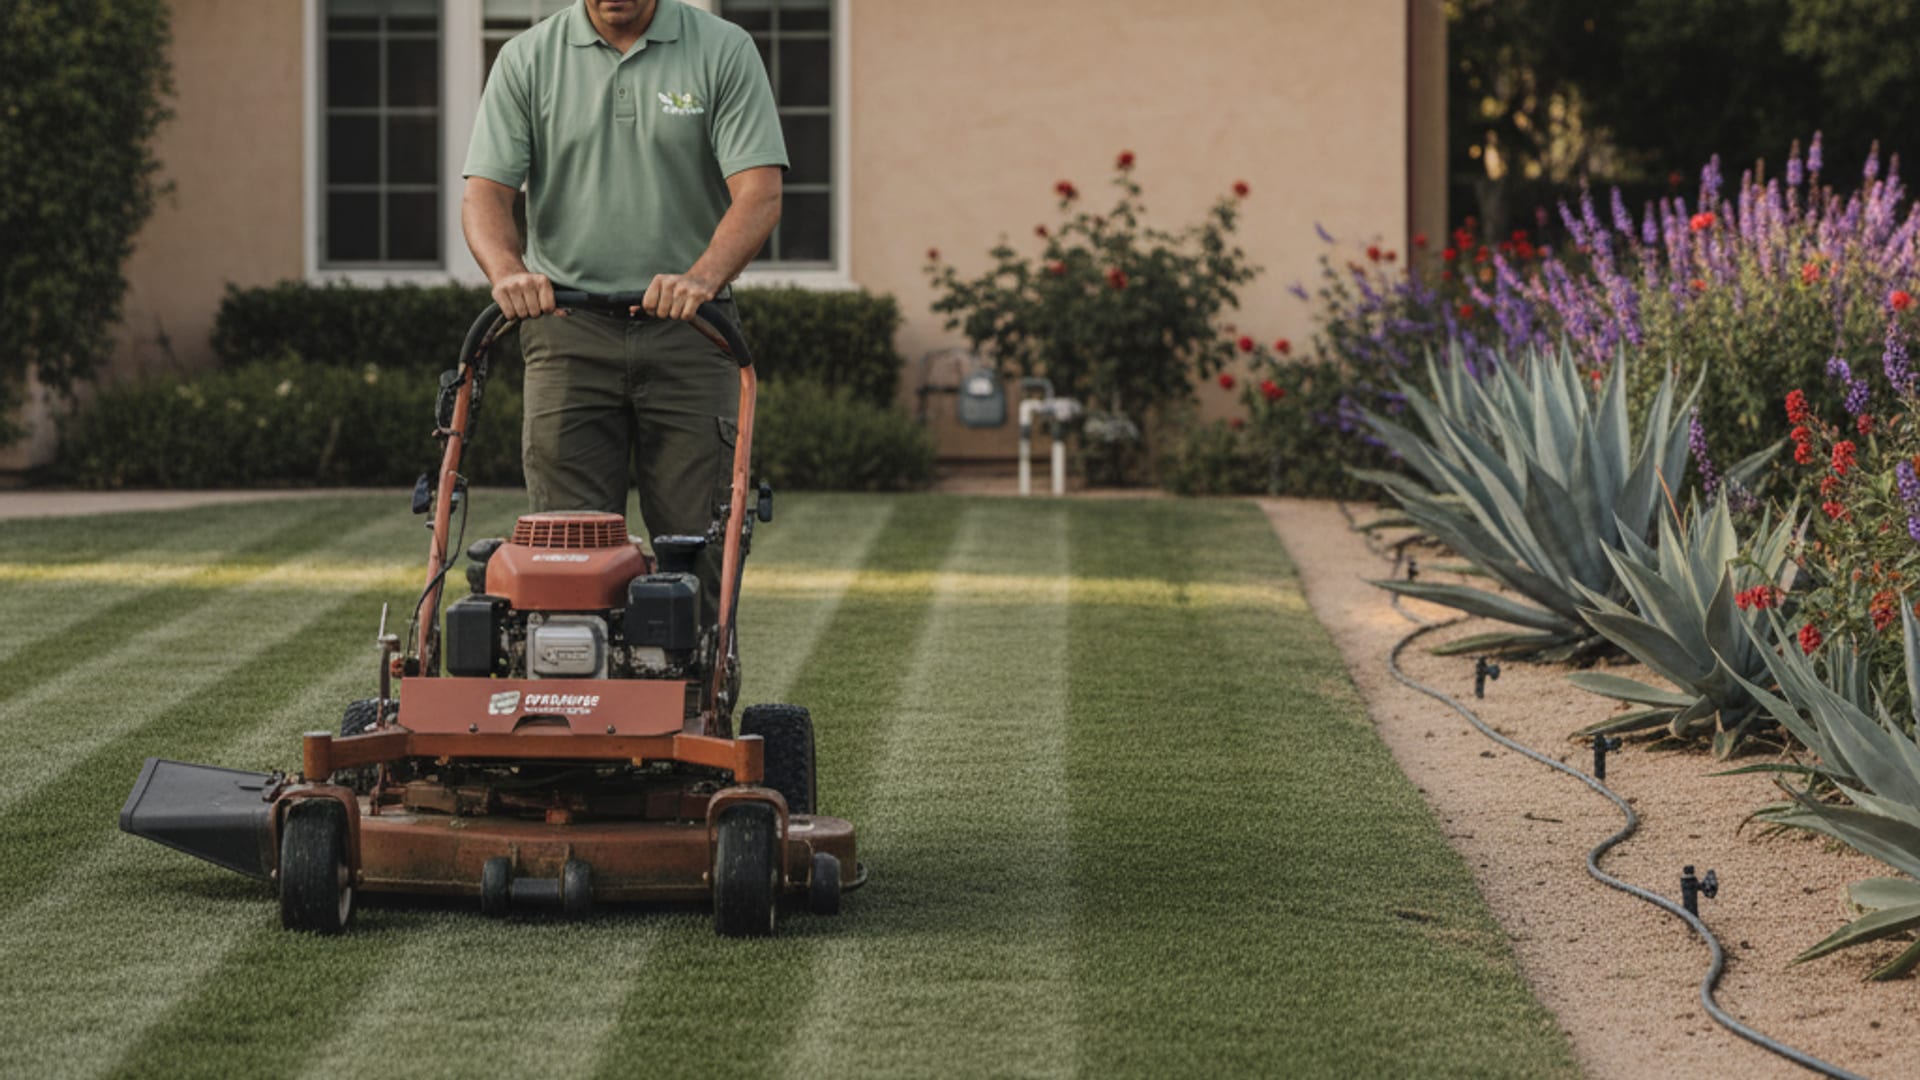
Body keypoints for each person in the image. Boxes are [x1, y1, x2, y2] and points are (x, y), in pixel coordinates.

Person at [460, 0, 785, 637]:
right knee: (564, 551)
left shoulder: (722, 49)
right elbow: (486, 192)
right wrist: (508, 273)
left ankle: (695, 707)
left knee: (699, 546)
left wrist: (701, 277)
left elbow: (760, 190)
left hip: (692, 332)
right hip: (567, 331)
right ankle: (574, 707)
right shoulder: (528, 59)